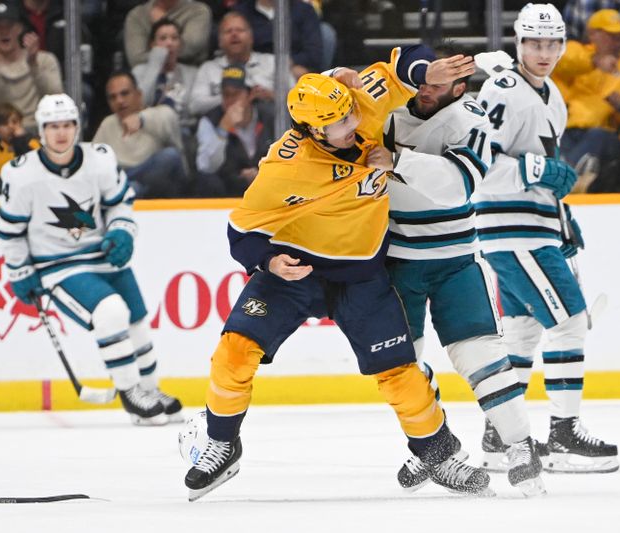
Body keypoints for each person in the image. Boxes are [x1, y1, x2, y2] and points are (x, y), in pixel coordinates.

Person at [183, 46, 488, 502]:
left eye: (351, 114)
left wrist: (430, 69)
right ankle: (222, 442)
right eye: (341, 123)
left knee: (400, 373)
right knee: (234, 353)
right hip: (293, 272)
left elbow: (395, 67)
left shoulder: (357, 108)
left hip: (361, 277)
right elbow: (240, 229)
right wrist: (267, 261)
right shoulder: (283, 169)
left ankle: (438, 454)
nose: (356, 126)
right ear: (312, 130)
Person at [381, 42, 547, 497]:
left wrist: (397, 160)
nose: (426, 91)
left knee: (480, 356)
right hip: (397, 261)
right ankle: (435, 448)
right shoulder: (391, 105)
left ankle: (520, 445)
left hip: (454, 260)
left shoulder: (473, 119)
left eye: (438, 84)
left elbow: (457, 187)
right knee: (402, 366)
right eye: (423, 80)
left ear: (461, 84)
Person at [474, 3, 619, 474]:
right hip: (513, 231)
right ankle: (563, 436)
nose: (543, 51)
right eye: (534, 42)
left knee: (523, 331)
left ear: (561, 45)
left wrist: (562, 219)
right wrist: (536, 170)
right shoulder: (502, 88)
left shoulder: (552, 93)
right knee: (571, 321)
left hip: (532, 229)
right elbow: (477, 166)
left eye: (551, 43)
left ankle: (501, 437)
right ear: (519, 42)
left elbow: (544, 174)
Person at [0, 93, 183, 425]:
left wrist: (122, 231)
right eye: (53, 126)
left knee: (137, 319)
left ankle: (150, 389)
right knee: (111, 312)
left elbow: (120, 202)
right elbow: (10, 229)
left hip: (104, 256)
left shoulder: (99, 158)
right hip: (57, 266)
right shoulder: (22, 174)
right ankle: (130, 393)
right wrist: (19, 270)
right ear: (42, 129)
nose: (61, 133)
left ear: (77, 126)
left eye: (67, 124)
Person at [551, 8, 620, 193]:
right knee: (553, 140)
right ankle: (575, 178)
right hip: (566, 129)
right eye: (611, 35)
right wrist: (594, 62)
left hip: (606, 133)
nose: (617, 41)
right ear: (593, 34)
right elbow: (563, 62)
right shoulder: (575, 50)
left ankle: (565, 178)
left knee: (597, 137)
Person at [93, 71, 189, 198]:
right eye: (113, 97)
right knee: (132, 187)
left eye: (124, 93)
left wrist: (141, 119)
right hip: (125, 186)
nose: (119, 101)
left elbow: (169, 117)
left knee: (170, 156)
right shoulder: (107, 124)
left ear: (139, 95)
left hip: (157, 183)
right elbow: (92, 163)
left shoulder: (157, 115)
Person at [0, 1, 62, 142]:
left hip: (36, 127)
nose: (4, 32)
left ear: (20, 28)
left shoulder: (45, 59)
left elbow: (57, 101)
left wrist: (33, 65)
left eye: (10, 26)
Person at [189, 11, 293, 124]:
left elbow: (299, 99)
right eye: (228, 31)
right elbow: (195, 105)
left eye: (240, 30)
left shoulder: (273, 62)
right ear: (220, 41)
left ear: (251, 37)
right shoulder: (208, 69)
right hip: (223, 128)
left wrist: (272, 96)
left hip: (272, 127)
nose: (234, 34)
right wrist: (231, 97)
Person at [195, 65, 274, 197]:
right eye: (226, 95)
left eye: (236, 94)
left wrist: (262, 173)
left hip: (266, 189)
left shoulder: (269, 117)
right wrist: (222, 130)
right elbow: (205, 167)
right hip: (227, 190)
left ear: (249, 95)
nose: (230, 101)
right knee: (207, 181)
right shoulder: (210, 121)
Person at [132, 18, 198, 127]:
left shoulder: (192, 73)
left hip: (180, 130)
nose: (169, 43)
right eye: (163, 38)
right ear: (152, 44)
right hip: (146, 128)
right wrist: (155, 66)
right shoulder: (139, 72)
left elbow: (191, 112)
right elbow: (139, 106)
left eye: (174, 38)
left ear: (180, 44)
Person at [235, 0, 323, 77]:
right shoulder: (241, 12)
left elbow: (314, 53)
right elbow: (234, 51)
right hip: (252, 70)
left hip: (292, 68)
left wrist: (288, 63)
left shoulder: (304, 10)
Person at [124, 0, 212, 67]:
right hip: (146, 76)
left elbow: (189, 48)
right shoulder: (137, 15)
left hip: (190, 75)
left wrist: (154, 54)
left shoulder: (198, 11)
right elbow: (136, 59)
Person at [0, 102, 40, 190]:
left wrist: (21, 141)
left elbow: (37, 167)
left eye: (15, 122)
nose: (11, 126)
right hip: (0, 192)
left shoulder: (32, 143)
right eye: (4, 123)